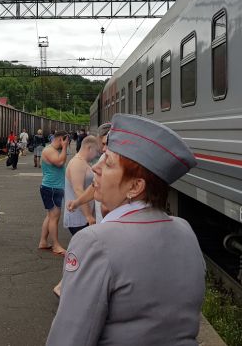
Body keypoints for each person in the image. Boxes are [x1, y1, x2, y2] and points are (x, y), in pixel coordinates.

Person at [46, 114, 203, 345]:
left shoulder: (94, 242)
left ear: (135, 186)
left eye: (107, 163)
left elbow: (69, 339)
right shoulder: (185, 231)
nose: (96, 169)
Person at [53, 134, 99, 298]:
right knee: (83, 252)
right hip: (79, 217)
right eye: (96, 151)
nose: (97, 154)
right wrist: (89, 215)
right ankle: (62, 286)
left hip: (81, 216)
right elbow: (79, 190)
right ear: (89, 147)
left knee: (83, 252)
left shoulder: (83, 162)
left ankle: (67, 286)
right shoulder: (77, 164)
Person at [38, 131, 70, 256]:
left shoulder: (52, 150)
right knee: (54, 217)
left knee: (50, 216)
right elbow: (60, 162)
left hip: (53, 187)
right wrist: (65, 147)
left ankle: (43, 242)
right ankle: (56, 245)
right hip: (51, 187)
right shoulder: (49, 150)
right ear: (61, 139)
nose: (67, 143)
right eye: (66, 141)